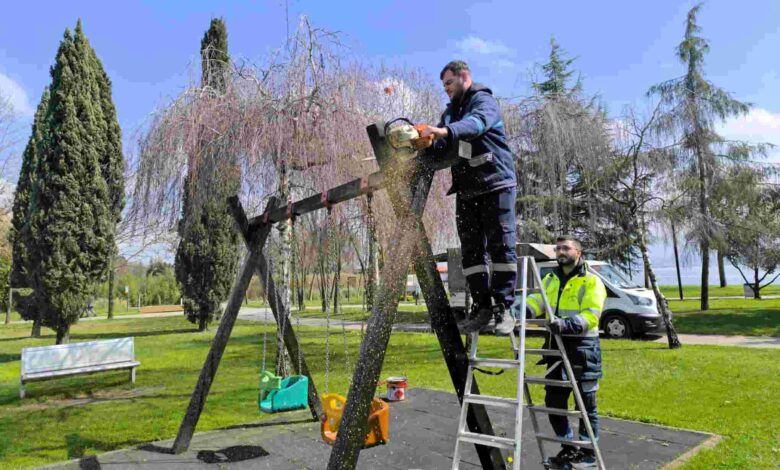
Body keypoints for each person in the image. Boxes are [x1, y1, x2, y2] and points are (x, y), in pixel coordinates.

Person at [422, 60, 518, 334]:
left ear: (464, 77)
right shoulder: (450, 113)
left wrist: (444, 131)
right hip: (467, 190)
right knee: (471, 252)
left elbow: (475, 125)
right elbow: (441, 143)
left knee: (501, 245)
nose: (446, 90)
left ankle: (503, 307)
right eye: (443, 86)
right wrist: (421, 143)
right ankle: (482, 307)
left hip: (495, 183)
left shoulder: (483, 101)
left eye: (449, 83)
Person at [517, 235, 606, 469]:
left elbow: (591, 314)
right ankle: (568, 447)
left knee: (585, 402)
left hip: (582, 347)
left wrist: (567, 324)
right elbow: (538, 300)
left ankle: (588, 454)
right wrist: (522, 309)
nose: (560, 251)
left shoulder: (591, 282)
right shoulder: (550, 278)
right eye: (558, 248)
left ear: (578, 252)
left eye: (566, 248)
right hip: (556, 347)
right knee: (554, 399)